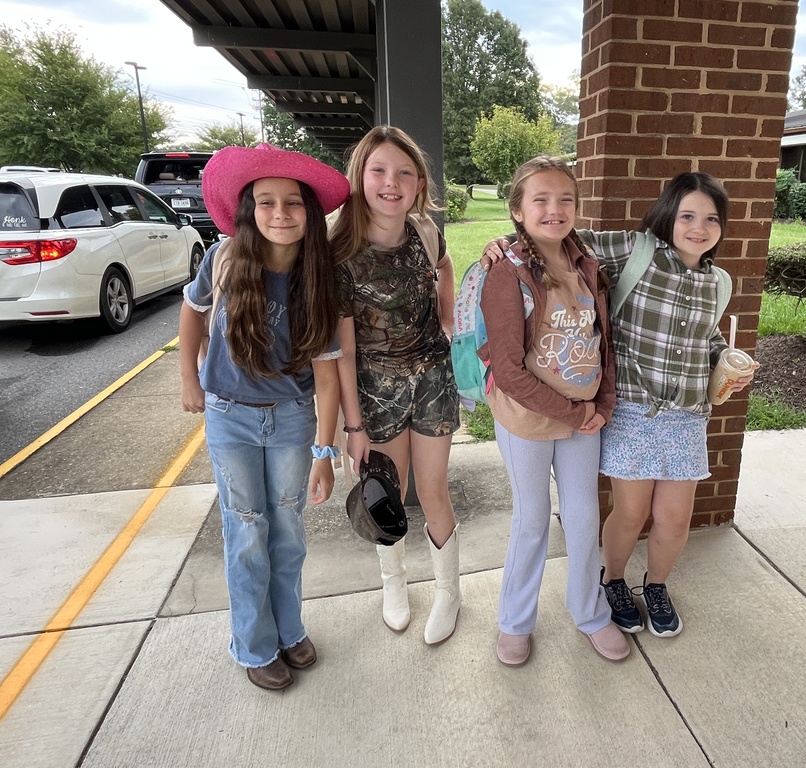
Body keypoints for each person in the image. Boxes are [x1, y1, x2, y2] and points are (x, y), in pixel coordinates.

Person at [483, 172, 756, 638]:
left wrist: (725, 361)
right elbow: (560, 234)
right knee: (625, 513)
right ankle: (606, 585)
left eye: (712, 219)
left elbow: (705, 335)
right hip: (629, 409)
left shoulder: (719, 282)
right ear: (668, 216)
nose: (699, 227)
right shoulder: (638, 250)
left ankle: (655, 586)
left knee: (672, 516)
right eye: (687, 215)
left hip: (685, 416)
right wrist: (503, 242)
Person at [179, 143, 361, 691]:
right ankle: (254, 644)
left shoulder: (317, 279)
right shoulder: (226, 258)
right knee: (247, 530)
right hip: (230, 418)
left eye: (293, 203)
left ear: (310, 212)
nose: (280, 214)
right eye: (266, 202)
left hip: (291, 420)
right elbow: (192, 311)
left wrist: (325, 454)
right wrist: (189, 375)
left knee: (287, 530)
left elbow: (327, 377)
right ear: (248, 210)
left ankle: (288, 628)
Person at [480, 155, 629, 666]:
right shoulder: (507, 272)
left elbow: (601, 342)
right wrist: (573, 413)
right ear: (517, 211)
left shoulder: (587, 262)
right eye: (540, 199)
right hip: (528, 419)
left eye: (565, 199)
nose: (554, 208)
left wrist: (602, 402)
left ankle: (589, 611)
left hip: (584, 416)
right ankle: (515, 621)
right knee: (533, 518)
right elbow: (509, 367)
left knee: (585, 517)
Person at [330, 126, 461, 645]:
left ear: (419, 183)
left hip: (433, 381)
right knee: (387, 492)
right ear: (360, 175)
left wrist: (447, 316)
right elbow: (340, 350)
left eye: (405, 172)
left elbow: (446, 266)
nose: (392, 182)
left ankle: (449, 591)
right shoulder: (340, 248)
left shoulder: (426, 231)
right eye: (379, 170)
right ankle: (394, 585)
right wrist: (352, 425)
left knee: (432, 491)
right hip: (375, 393)